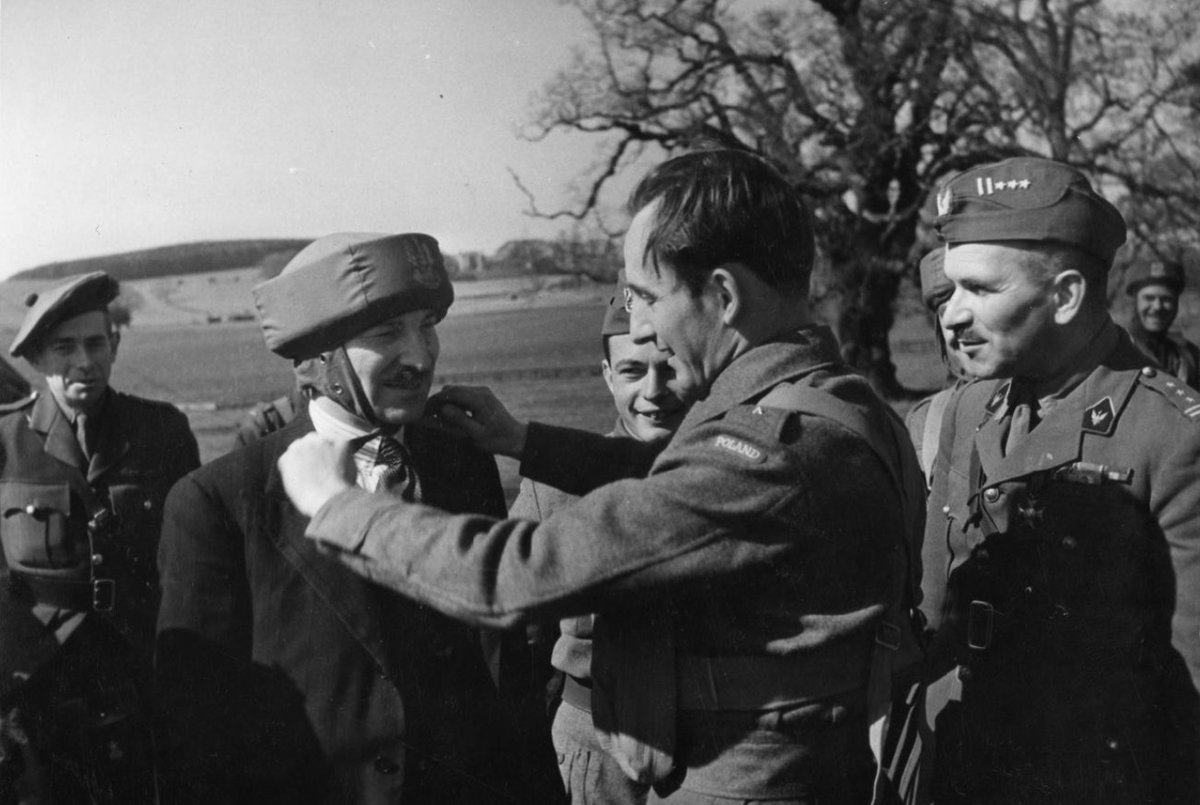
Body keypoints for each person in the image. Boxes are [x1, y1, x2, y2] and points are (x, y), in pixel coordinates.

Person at [280, 150, 927, 804]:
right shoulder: (833, 406)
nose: (640, 328)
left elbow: (521, 576)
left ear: (724, 296)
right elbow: (682, 485)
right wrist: (524, 442)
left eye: (646, 298)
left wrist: (341, 508)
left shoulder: (771, 449)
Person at [153, 232, 562, 804]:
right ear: (319, 357)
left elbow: (502, 667)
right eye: (387, 332)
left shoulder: (461, 459)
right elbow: (197, 735)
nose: (421, 356)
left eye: (427, 324)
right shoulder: (220, 500)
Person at [924, 156, 1200, 803]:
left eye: (982, 290)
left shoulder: (1174, 436)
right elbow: (936, 608)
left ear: (1067, 295)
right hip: (963, 757)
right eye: (952, 288)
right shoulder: (968, 407)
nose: (952, 315)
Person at [0, 272, 200, 803]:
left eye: (96, 344)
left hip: (143, 681)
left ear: (115, 346)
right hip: (39, 693)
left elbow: (193, 563)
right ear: (38, 359)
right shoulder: (6, 441)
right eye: (64, 348)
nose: (84, 362)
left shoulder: (162, 431)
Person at [512, 271, 689, 805]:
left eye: (670, 369)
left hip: (710, 749)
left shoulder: (734, 473)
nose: (652, 392)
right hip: (594, 748)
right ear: (607, 375)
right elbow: (521, 638)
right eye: (633, 371)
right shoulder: (552, 482)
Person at [1124, 258, 1200, 389]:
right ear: (1135, 303)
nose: (1158, 307)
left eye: (1166, 299)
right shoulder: (1115, 348)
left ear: (1176, 305)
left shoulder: (1188, 355)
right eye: (1149, 298)